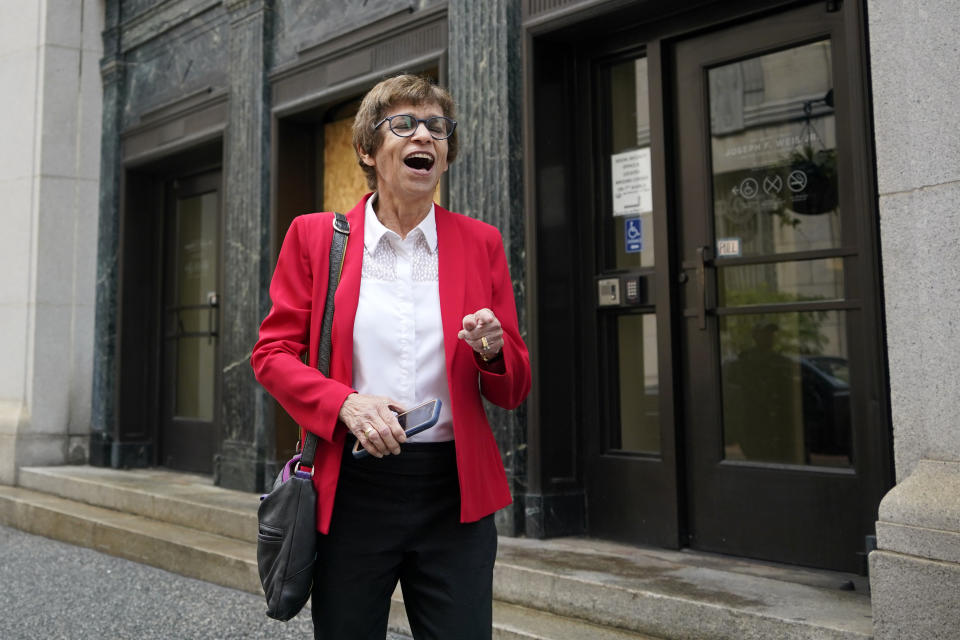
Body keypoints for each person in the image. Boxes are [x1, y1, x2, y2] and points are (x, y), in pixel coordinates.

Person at [251, 74, 531, 640]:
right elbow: (272, 354)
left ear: (446, 154)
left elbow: (511, 389)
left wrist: (493, 352)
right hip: (352, 490)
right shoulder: (315, 237)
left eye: (436, 127)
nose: (423, 135)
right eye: (403, 124)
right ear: (368, 150)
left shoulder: (482, 243)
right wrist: (345, 404)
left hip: (454, 493)